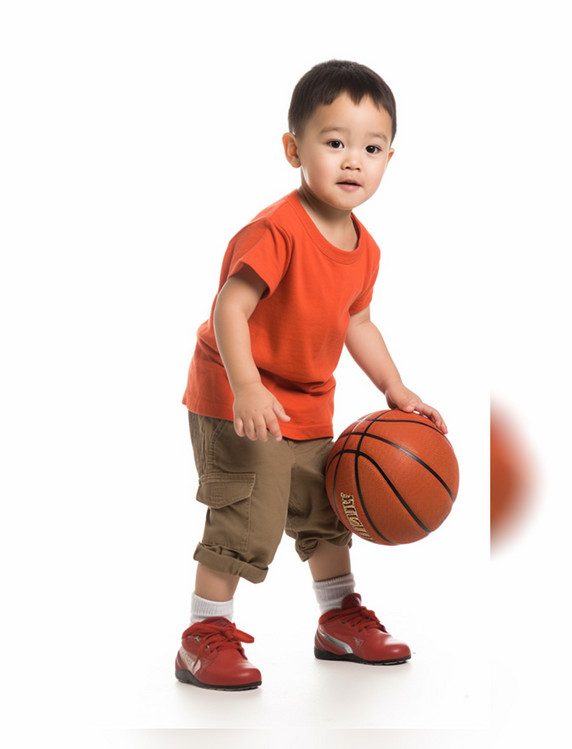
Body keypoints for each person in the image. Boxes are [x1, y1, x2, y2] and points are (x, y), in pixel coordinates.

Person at [175, 60, 447, 691]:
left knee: (330, 510)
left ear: (389, 158)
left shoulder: (365, 247)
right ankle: (203, 634)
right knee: (246, 518)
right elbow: (230, 308)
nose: (354, 160)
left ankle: (339, 619)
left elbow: (358, 323)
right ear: (294, 150)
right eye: (334, 142)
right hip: (238, 397)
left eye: (371, 148)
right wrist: (247, 387)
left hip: (308, 404)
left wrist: (396, 389)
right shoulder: (277, 231)